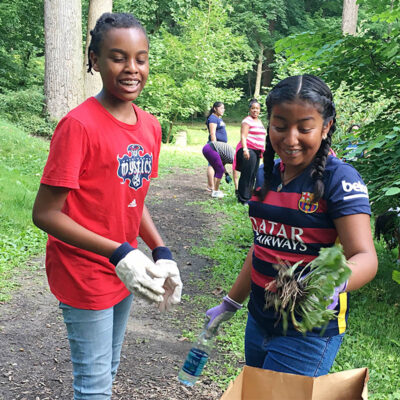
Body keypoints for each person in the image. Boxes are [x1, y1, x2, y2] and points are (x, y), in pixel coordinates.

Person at [32, 13, 182, 399]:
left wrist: (160, 250)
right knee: (95, 384)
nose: (132, 68)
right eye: (118, 57)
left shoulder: (149, 126)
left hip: (124, 266)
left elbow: (132, 195)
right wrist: (119, 251)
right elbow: (45, 213)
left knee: (109, 368)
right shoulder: (79, 125)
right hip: (84, 268)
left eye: (141, 58)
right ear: (95, 59)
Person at [205, 74, 378, 377]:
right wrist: (230, 303)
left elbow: (366, 257)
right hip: (258, 322)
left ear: (326, 127)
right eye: (280, 126)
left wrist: (335, 283)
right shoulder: (263, 176)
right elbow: (262, 247)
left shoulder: (340, 180)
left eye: (304, 128)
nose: (290, 138)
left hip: (307, 332)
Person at [233, 99, 267, 204]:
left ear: (260, 110)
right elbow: (243, 136)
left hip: (257, 151)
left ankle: (249, 196)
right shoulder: (246, 121)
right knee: (247, 174)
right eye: (253, 108)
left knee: (253, 174)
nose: (255, 110)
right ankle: (243, 198)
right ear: (249, 109)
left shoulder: (259, 121)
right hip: (248, 149)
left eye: (257, 108)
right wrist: (245, 149)